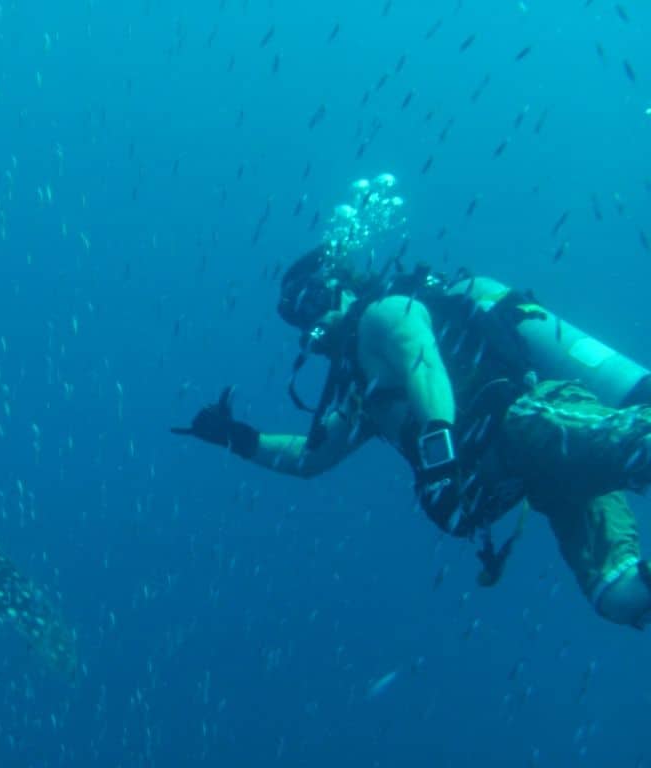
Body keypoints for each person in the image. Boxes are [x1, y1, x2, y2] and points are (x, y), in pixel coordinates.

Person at [174, 243, 651, 628]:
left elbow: (423, 364)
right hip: (519, 472)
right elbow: (309, 458)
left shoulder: (386, 311)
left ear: (339, 285)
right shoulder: (361, 390)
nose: (311, 321)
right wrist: (237, 437)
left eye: (313, 301)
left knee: (631, 444)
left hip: (528, 420)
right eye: (299, 316)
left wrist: (439, 453)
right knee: (621, 595)